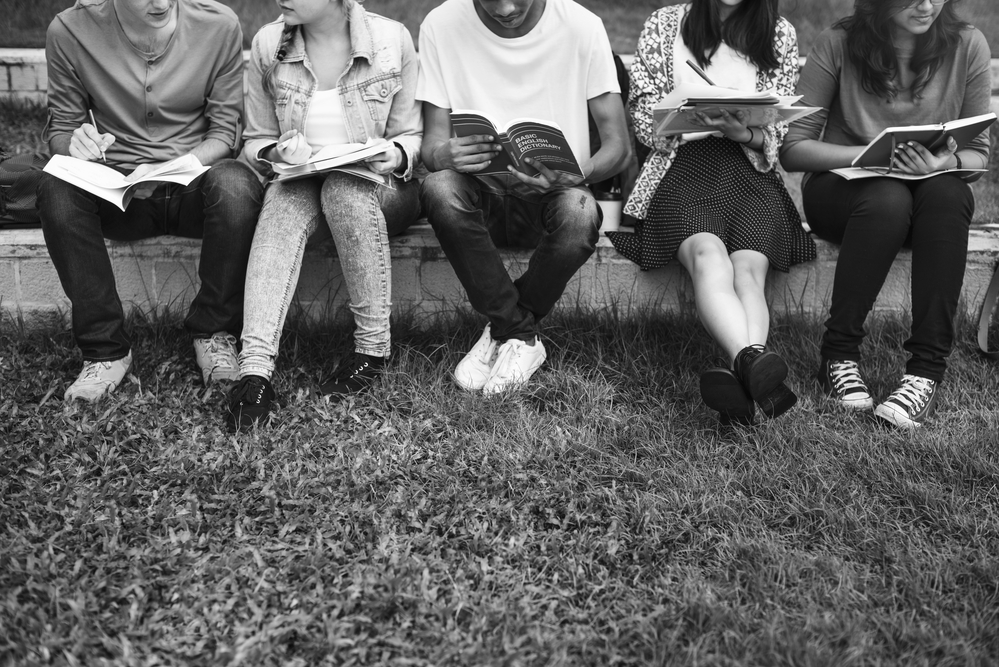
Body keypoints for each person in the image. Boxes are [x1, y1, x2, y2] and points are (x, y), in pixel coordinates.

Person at [780, 0, 991, 428]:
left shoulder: (968, 44)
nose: (928, 5)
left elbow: (977, 155)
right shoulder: (838, 42)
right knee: (887, 196)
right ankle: (838, 357)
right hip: (845, 193)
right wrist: (873, 158)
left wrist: (940, 164)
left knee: (950, 193)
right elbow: (794, 148)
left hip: (928, 200)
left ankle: (925, 372)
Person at [38, 0, 263, 402]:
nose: (160, 2)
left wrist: (179, 167)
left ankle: (213, 333)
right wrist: (75, 144)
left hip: (193, 187)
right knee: (55, 188)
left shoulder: (219, 25)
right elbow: (61, 128)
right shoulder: (69, 31)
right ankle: (105, 351)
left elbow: (226, 132)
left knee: (237, 185)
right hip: (119, 194)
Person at [607, 0, 816, 425]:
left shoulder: (778, 31)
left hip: (749, 172)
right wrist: (690, 118)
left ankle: (744, 377)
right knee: (708, 255)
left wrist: (747, 131)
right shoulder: (666, 24)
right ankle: (754, 368)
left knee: (749, 269)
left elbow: (776, 130)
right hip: (681, 168)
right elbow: (643, 115)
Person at [225, 0, 422, 431]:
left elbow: (411, 132)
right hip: (302, 177)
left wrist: (397, 152)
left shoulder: (391, 41)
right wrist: (277, 151)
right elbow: (256, 140)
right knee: (281, 206)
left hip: (379, 186)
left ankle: (373, 352)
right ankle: (254, 375)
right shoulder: (267, 44)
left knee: (343, 192)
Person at [417, 0, 632, 394]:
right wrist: (441, 154)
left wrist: (578, 172)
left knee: (581, 212)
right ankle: (518, 332)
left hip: (551, 196)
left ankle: (504, 329)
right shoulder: (441, 24)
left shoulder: (581, 27)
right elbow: (432, 142)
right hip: (479, 198)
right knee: (438, 187)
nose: (505, 8)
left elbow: (619, 146)